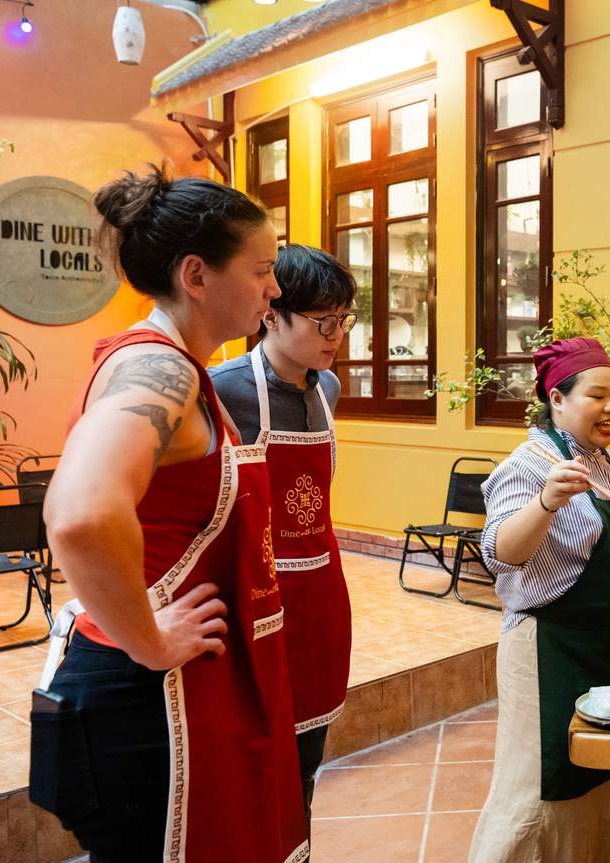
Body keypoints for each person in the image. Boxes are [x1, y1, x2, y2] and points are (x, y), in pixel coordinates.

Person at [33, 167, 308, 863]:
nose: (274, 290)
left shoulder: (173, 364)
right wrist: (150, 640)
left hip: (151, 691)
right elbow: (79, 514)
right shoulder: (162, 371)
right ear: (196, 275)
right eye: (263, 270)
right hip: (143, 699)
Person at [468, 337, 610, 863]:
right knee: (537, 796)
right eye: (598, 396)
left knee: (605, 783)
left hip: (608, 649)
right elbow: (499, 552)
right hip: (549, 651)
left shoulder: (606, 463)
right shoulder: (529, 464)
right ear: (557, 398)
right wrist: (547, 500)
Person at [209, 244, 355, 831]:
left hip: (319, 597)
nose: (336, 334)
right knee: (254, 759)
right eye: (323, 321)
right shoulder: (222, 389)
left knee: (306, 761)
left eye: (343, 320)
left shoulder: (329, 391)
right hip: (252, 599)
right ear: (272, 313)